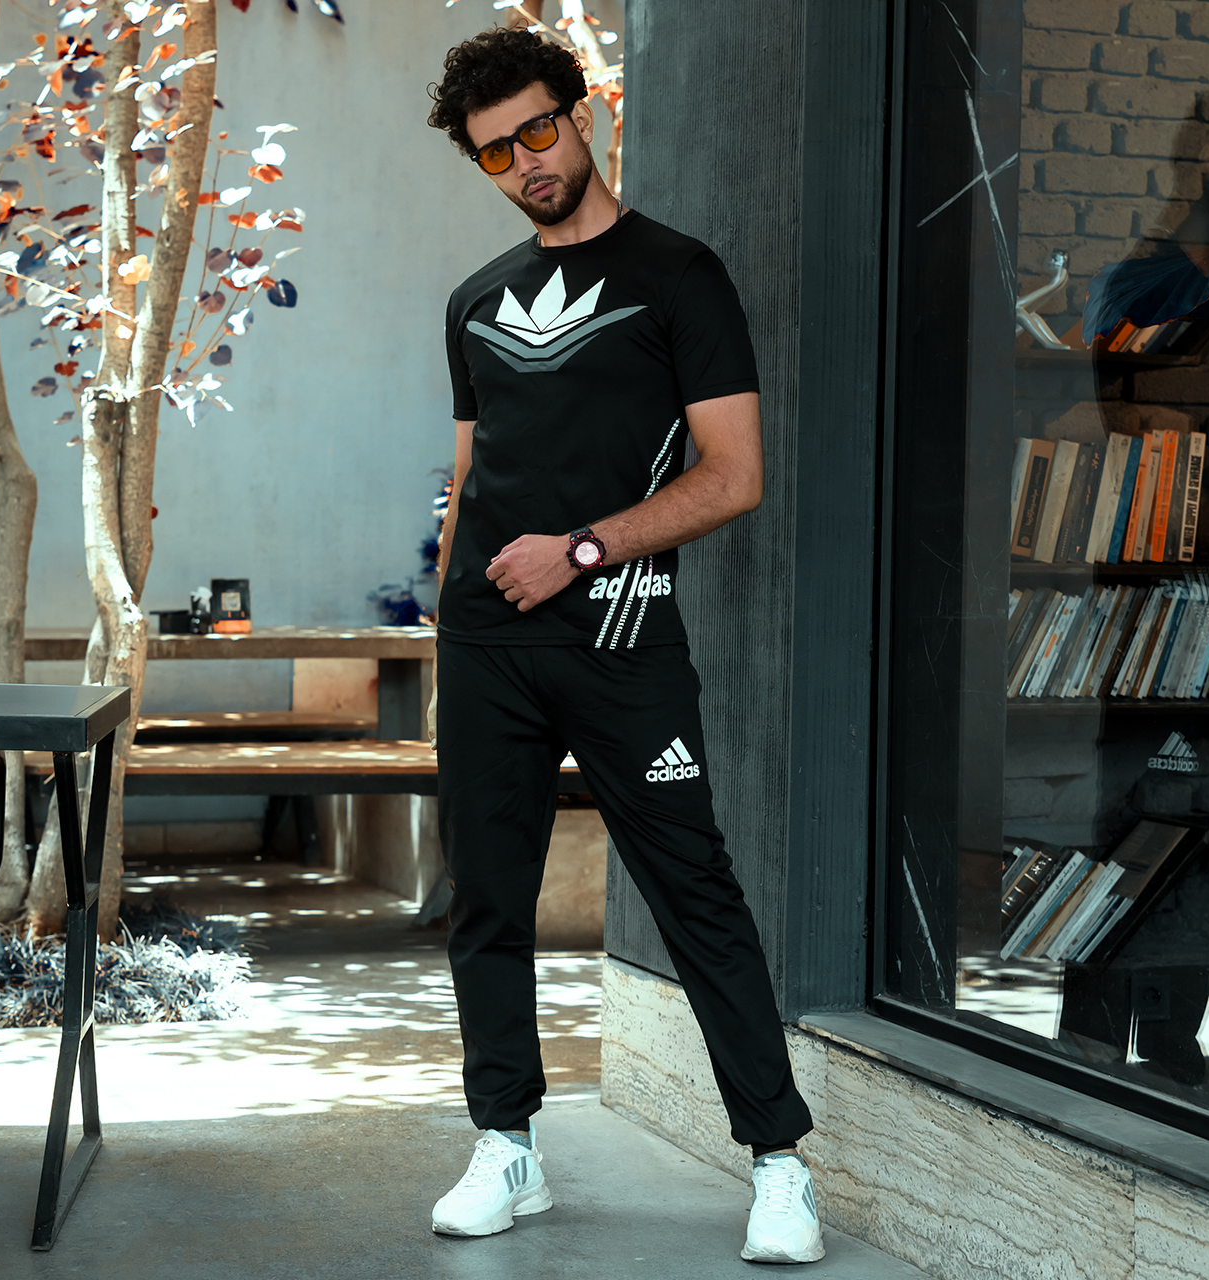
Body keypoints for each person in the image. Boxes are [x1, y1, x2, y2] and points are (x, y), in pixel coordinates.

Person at [424, 26, 823, 1265]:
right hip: (485, 649)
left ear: (582, 111)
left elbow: (733, 475)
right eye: (495, 152)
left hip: (620, 637)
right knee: (485, 899)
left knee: (694, 892)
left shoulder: (678, 275)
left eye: (537, 132)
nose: (524, 164)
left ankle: (778, 1161)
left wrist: (581, 549)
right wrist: (448, 628)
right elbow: (469, 479)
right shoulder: (474, 301)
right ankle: (506, 1142)